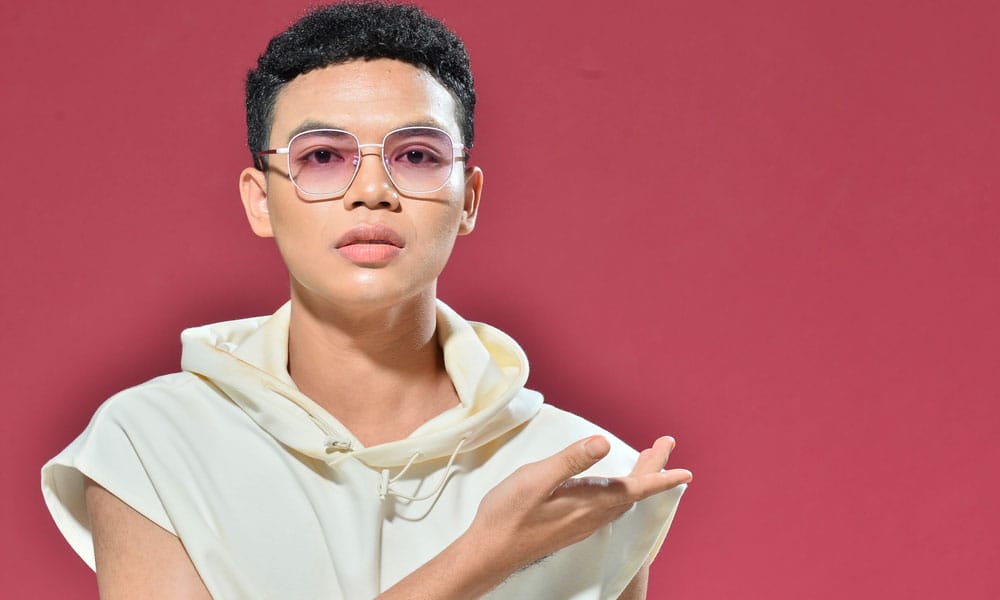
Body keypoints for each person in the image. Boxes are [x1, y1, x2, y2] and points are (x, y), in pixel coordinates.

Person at [41, 2, 692, 598]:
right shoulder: (150, 444)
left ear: (468, 199)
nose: (372, 191)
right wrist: (484, 556)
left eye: (417, 155)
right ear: (260, 200)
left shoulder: (582, 476)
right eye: (324, 155)